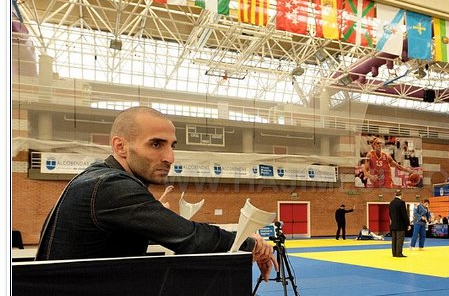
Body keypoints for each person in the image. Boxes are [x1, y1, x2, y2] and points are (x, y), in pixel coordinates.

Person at [35, 106, 277, 280]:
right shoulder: (110, 186)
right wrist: (251, 244)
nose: (170, 158)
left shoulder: (99, 177)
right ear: (120, 146)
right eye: (156, 144)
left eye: (172, 146)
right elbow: (190, 237)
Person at [389, 190, 410, 258]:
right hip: (400, 224)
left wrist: (393, 220)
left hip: (393, 224)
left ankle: (394, 253)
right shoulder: (401, 203)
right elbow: (404, 214)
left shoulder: (391, 203)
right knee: (399, 239)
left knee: (394, 239)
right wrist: (408, 224)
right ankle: (399, 253)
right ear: (401, 195)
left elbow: (390, 214)